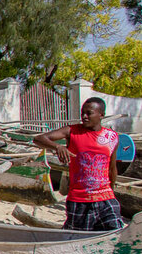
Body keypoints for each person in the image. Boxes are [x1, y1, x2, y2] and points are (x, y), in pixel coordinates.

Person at [33, 97, 125, 231]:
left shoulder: (111, 137)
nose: (84, 116)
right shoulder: (72, 131)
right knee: (75, 238)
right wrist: (58, 147)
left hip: (106, 199)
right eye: (82, 113)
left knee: (116, 233)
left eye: (89, 113)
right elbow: (38, 139)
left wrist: (111, 191)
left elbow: (112, 168)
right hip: (80, 200)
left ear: (101, 115)